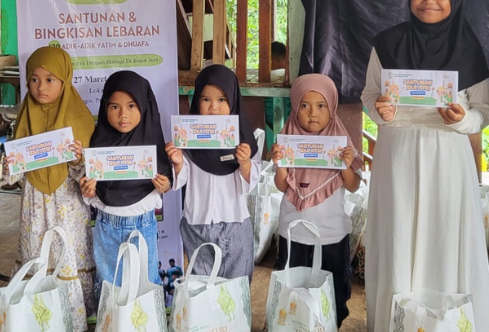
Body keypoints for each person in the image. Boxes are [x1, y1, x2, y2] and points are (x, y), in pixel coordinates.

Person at [361, 0, 489, 332]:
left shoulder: (468, 47)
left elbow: (484, 110)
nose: (429, 0)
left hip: (448, 160)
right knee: (398, 234)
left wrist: (462, 121)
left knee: (445, 237)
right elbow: (369, 94)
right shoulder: (387, 44)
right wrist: (380, 111)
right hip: (397, 158)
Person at [3, 46, 96, 329]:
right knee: (35, 256)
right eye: (34, 79)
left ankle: (72, 323)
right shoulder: (25, 116)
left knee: (67, 257)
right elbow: (12, 176)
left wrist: (79, 159)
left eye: (49, 79)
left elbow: (90, 175)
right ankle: (39, 322)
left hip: (67, 205)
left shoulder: (79, 117)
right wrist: (12, 162)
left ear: (64, 80)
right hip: (34, 204)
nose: (40, 87)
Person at [270, 74, 362, 328]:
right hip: (294, 233)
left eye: (321, 105)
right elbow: (282, 186)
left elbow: (353, 185)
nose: (313, 113)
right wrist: (280, 164)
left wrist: (345, 165)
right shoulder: (287, 140)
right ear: (295, 107)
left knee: (333, 295)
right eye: (305, 105)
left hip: (331, 236)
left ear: (332, 107)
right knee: (294, 295)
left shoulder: (341, 143)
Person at [79, 71, 173, 292]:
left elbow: (165, 182)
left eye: (131, 106)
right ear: (105, 107)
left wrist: (164, 185)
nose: (123, 114)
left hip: (143, 224)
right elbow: (91, 188)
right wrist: (88, 191)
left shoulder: (152, 144)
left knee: (146, 283)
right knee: (108, 284)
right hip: (106, 225)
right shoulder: (98, 142)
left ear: (144, 107)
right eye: (115, 107)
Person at [165, 64, 260, 281]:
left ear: (233, 101)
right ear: (197, 101)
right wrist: (178, 162)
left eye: (222, 100)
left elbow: (252, 181)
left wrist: (244, 162)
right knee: (202, 288)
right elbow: (182, 178)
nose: (213, 108)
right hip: (196, 224)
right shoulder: (187, 139)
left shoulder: (244, 141)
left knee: (236, 288)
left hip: (234, 222)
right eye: (206, 99)